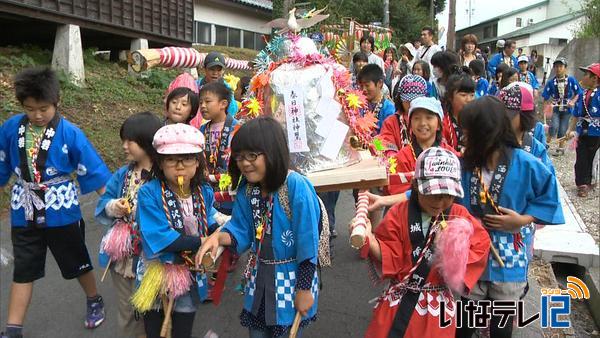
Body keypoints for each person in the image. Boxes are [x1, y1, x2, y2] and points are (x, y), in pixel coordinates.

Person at [0, 67, 112, 337]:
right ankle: (13, 329)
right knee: (24, 269)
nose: (37, 115)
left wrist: (113, 206)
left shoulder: (71, 133)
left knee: (75, 261)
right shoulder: (11, 128)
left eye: (44, 108)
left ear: (56, 102)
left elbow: (94, 173)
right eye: (30, 109)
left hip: (61, 210)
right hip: (23, 209)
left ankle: (94, 298)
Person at [195, 117, 322, 337]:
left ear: (273, 152)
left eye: (252, 155)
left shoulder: (295, 186)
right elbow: (240, 228)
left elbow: (307, 242)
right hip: (259, 275)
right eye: (240, 157)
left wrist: (303, 289)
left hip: (291, 279)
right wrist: (217, 237)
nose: (244, 163)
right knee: (256, 332)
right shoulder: (248, 189)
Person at [351, 147, 490, 337]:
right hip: (399, 301)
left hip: (437, 306)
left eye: (447, 196)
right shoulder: (399, 213)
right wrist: (370, 239)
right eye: (433, 194)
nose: (440, 202)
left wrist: (452, 248)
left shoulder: (459, 216)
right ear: (416, 185)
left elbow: (480, 245)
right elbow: (389, 254)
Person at [455, 96, 564, 338]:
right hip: (473, 253)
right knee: (464, 323)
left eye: (468, 132)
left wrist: (522, 220)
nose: (464, 138)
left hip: (510, 256)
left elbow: (549, 197)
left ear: (487, 132)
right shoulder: (465, 165)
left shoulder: (526, 164)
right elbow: (440, 193)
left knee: (501, 326)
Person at [135, 123, 219, 338]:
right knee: (155, 328)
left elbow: (208, 218)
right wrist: (203, 241)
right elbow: (160, 237)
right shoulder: (148, 193)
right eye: (171, 159)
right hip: (158, 270)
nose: (179, 166)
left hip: (189, 270)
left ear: (198, 163)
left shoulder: (204, 192)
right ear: (160, 163)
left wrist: (217, 234)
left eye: (188, 159)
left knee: (183, 325)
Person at [95, 111, 162, 338]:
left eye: (129, 141)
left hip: (154, 257)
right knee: (127, 311)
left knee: (155, 310)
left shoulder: (165, 174)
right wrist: (114, 206)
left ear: (146, 141)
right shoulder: (123, 175)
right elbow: (103, 203)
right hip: (123, 256)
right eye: (122, 140)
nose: (124, 146)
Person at [386, 97, 459, 201]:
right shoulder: (402, 157)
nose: (422, 123)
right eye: (417, 118)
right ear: (410, 124)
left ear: (439, 125)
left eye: (429, 118)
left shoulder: (451, 154)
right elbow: (397, 192)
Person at [198, 81, 240, 215]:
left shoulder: (237, 128)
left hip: (231, 193)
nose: (203, 106)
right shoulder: (201, 130)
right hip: (207, 192)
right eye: (200, 103)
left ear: (223, 104)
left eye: (207, 101)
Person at [499, 83, 554, 173]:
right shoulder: (493, 141)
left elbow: (546, 177)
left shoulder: (536, 147)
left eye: (509, 116)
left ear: (525, 115)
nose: (504, 120)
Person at [542, 57, 582, 156]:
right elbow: (545, 96)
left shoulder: (571, 80)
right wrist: (546, 108)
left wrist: (573, 101)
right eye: (556, 66)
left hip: (567, 109)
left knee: (563, 129)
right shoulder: (551, 82)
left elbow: (579, 93)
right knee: (553, 126)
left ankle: (560, 147)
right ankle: (546, 144)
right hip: (556, 107)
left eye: (560, 66)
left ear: (565, 68)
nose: (558, 68)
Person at [570, 63, 600, 197]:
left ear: (595, 78)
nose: (583, 77)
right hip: (582, 131)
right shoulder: (582, 94)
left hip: (596, 132)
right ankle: (582, 183)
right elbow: (576, 113)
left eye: (586, 75)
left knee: (593, 158)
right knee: (581, 156)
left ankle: (590, 181)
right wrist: (570, 129)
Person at [380, 75, 429, 153]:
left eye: (416, 100)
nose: (412, 103)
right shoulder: (391, 122)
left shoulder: (432, 120)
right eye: (408, 100)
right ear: (400, 99)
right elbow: (385, 147)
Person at [194, 51, 238, 120]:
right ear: (204, 69)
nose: (215, 73)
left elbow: (232, 110)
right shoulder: (195, 85)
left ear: (223, 71)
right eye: (212, 69)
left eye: (219, 70)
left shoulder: (226, 88)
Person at [442, 72, 475, 153]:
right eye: (463, 95)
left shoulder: (478, 120)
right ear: (450, 97)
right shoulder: (443, 123)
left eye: (472, 95)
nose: (469, 100)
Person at [357, 64, 396, 134]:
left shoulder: (389, 109)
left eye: (367, 85)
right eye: (361, 86)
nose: (363, 89)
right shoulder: (359, 105)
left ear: (380, 83)